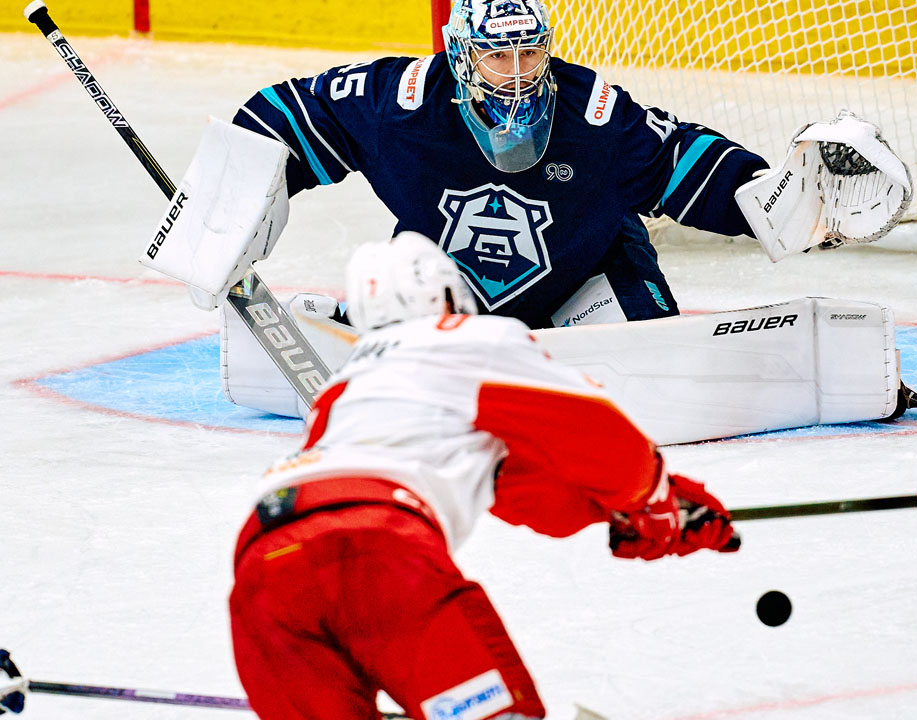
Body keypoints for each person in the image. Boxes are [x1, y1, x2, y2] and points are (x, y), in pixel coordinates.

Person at [140, 0, 917, 437]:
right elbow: (286, 113)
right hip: (450, 301)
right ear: (460, 56)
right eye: (497, 55)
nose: (517, 73)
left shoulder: (595, 115)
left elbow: (686, 161)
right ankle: (356, 329)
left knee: (639, 355)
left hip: (585, 287)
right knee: (404, 304)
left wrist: (776, 199)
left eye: (530, 52)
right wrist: (223, 210)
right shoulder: (398, 105)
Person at [228, 232, 739, 720]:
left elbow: (527, 494)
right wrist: (655, 503)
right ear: (449, 292)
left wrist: (617, 515)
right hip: (376, 548)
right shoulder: (471, 340)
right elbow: (596, 432)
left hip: (262, 567)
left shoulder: (342, 389)